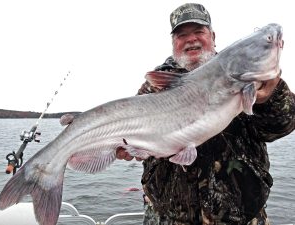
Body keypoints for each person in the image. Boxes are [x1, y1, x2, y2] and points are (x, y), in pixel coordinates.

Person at [116, 3, 295, 225]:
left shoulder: (250, 75)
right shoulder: (155, 86)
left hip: (242, 216)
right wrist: (127, 147)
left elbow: (282, 126)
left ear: (212, 36)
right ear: (174, 43)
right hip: (169, 216)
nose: (191, 39)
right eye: (182, 35)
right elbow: (133, 138)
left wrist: (270, 96)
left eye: (198, 32)